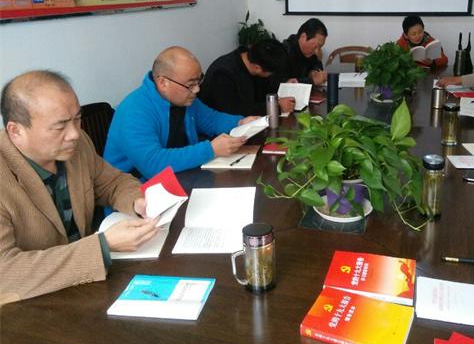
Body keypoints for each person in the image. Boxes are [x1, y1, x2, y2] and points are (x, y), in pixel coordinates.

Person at [0, 70, 158, 304]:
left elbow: (111, 182)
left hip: (87, 290)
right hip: (31, 305)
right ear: (16, 131)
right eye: (60, 126)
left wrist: (137, 201)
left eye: (77, 118)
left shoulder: (77, 143)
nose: (74, 133)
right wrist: (101, 247)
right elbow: (6, 273)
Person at [104, 46, 257, 180]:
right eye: (190, 84)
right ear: (163, 83)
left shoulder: (183, 99)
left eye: (199, 81)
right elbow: (153, 165)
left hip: (179, 176)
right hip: (135, 190)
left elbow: (211, 119)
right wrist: (210, 150)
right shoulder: (134, 111)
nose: (197, 89)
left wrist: (240, 123)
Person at [200, 39, 295, 116]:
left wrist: (284, 86)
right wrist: (276, 107)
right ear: (257, 68)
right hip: (223, 128)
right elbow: (235, 111)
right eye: (271, 73)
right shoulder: (222, 75)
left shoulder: (255, 60)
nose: (272, 75)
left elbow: (266, 88)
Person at [280, 18, 328, 86]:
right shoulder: (284, 52)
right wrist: (312, 81)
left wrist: (314, 72)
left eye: (320, 47)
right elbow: (284, 84)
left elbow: (317, 65)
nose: (317, 51)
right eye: (316, 46)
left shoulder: (312, 52)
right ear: (303, 37)